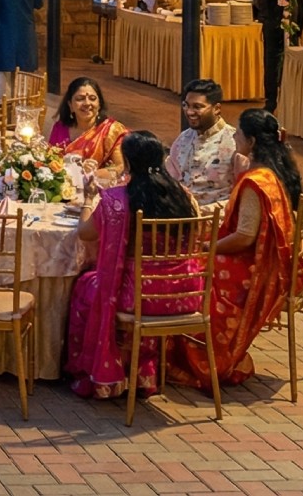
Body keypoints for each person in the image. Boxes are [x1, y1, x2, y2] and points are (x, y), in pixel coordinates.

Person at [169, 108, 302, 390]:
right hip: (268, 261)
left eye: (239, 133)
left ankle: (205, 362)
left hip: (255, 270)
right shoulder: (274, 173)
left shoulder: (257, 182)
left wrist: (208, 247)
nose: (235, 136)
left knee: (190, 274)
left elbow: (244, 237)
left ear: (251, 141)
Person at [66, 130, 203, 400]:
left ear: (127, 163)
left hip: (139, 297)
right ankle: (142, 373)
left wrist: (89, 199)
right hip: (184, 294)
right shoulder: (184, 196)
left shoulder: (118, 200)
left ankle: (108, 373)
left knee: (86, 285)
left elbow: (85, 233)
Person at [253, 0, 303, 111]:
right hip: (287, 22)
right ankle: (280, 99)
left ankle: (272, 101)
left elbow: (260, 0)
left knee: (273, 61)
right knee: (281, 60)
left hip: (277, 22)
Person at [168, 78, 237, 207]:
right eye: (186, 105)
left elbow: (242, 192)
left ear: (216, 108)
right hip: (183, 217)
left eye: (197, 107)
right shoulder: (183, 139)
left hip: (219, 221)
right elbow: (172, 181)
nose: (189, 112)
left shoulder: (234, 142)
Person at [48, 76, 129, 176]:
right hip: (63, 186)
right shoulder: (60, 128)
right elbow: (50, 161)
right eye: (80, 99)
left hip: (99, 187)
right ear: (70, 105)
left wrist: (89, 175)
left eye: (92, 98)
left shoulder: (112, 130)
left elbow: (119, 167)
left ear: (99, 104)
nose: (87, 103)